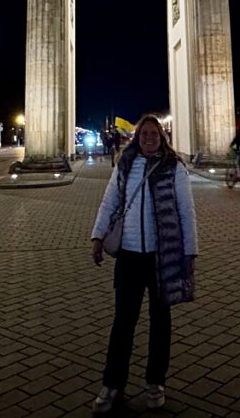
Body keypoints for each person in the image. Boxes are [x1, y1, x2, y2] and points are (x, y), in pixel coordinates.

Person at [90, 114, 197, 413]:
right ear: (137, 137)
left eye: (154, 133)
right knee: (123, 323)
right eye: (144, 133)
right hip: (129, 255)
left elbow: (186, 213)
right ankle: (112, 384)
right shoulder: (125, 165)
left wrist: (190, 253)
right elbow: (109, 201)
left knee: (160, 323)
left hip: (163, 257)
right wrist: (98, 236)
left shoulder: (174, 167)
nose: (149, 137)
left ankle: (155, 382)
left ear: (162, 137)